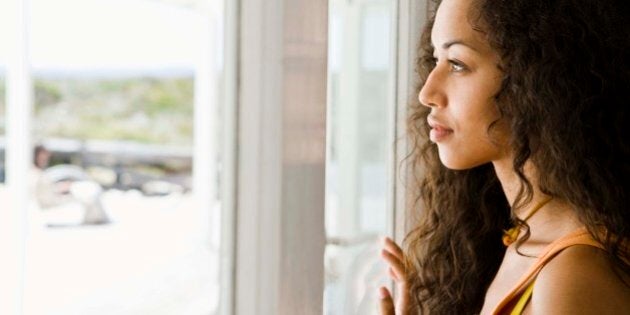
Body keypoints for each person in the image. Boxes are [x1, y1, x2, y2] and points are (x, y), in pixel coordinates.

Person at [379, 0, 630, 314]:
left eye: (457, 64)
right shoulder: (520, 241)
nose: (427, 93)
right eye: (435, 59)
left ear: (535, 79)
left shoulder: (573, 277)